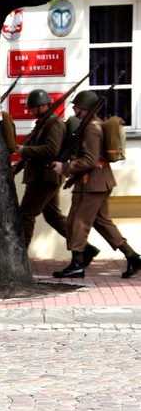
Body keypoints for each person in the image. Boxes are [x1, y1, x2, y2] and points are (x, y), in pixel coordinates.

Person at [51, 90, 141, 279]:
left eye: (77, 106)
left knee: (77, 222)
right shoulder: (94, 125)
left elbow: (90, 160)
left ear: (85, 108)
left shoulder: (92, 128)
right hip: (97, 181)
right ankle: (132, 256)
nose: (74, 110)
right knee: (102, 222)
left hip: (91, 184)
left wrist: (66, 167)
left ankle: (77, 264)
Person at [15, 89, 100, 264]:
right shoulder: (44, 123)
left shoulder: (54, 124)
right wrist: (19, 165)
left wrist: (25, 150)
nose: (30, 110)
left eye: (32, 107)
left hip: (44, 178)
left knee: (26, 214)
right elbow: (36, 148)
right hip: (44, 177)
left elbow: (51, 149)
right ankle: (86, 249)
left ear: (43, 106)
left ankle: (20, 256)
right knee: (53, 216)